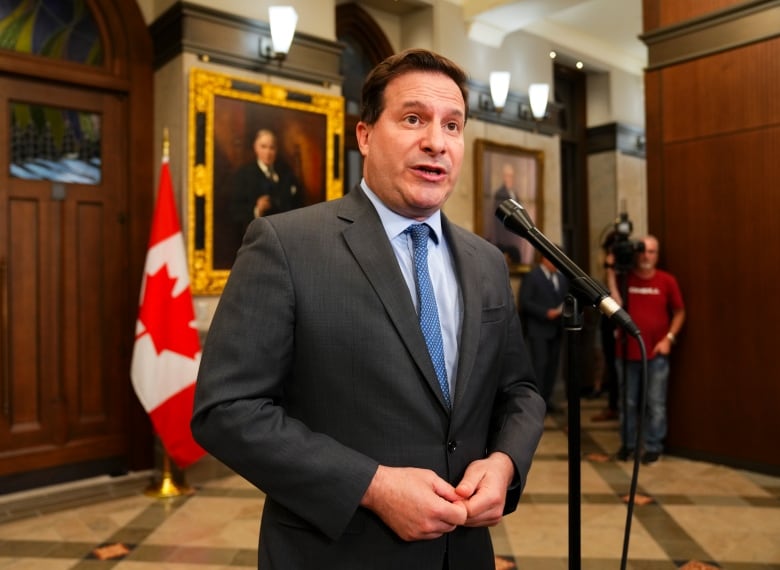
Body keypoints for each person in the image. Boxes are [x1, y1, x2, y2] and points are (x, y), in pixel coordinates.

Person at [191, 49, 546, 570]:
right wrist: (373, 486)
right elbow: (226, 410)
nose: (436, 141)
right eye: (412, 119)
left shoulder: (487, 260)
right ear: (364, 136)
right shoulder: (287, 244)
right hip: (338, 552)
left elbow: (520, 390)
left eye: (452, 125)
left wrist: (505, 463)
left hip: (463, 552)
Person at [610, 235, 685, 465]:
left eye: (651, 251)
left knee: (655, 402)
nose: (646, 256)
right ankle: (628, 445)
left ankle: (653, 446)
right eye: (643, 251)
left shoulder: (666, 281)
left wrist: (669, 339)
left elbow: (680, 312)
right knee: (628, 403)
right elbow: (615, 305)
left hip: (656, 354)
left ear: (657, 255)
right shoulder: (625, 279)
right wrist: (611, 271)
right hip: (626, 352)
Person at [229, 128, 304, 235]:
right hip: (257, 235)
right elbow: (235, 211)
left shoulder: (285, 174)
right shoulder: (244, 174)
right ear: (255, 148)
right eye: (263, 147)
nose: (268, 152)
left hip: (284, 234)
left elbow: (297, 205)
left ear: (276, 150)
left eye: (272, 148)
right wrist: (257, 209)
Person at [518, 254, 569, 412]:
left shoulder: (561, 278)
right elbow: (525, 302)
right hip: (538, 330)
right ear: (545, 259)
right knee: (539, 367)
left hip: (556, 329)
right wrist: (545, 313)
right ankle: (537, 404)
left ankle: (547, 400)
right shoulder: (532, 276)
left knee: (552, 368)